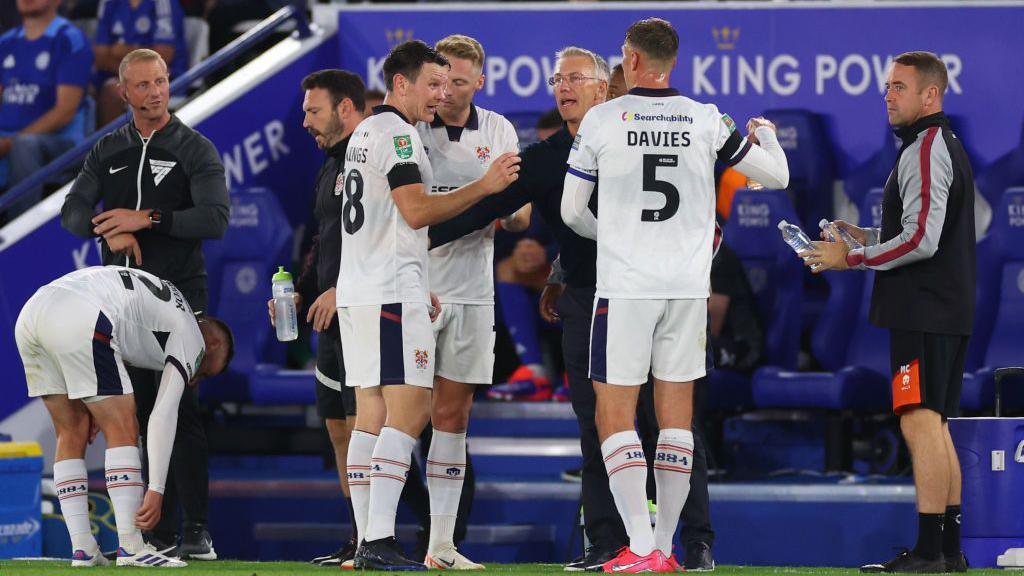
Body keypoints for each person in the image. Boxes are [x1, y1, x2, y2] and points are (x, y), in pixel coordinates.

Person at [560, 18, 788, 572]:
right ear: (673, 63)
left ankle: (639, 545)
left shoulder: (603, 119)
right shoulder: (706, 118)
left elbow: (571, 212)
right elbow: (776, 176)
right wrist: (772, 136)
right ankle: (664, 547)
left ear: (631, 61)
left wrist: (615, 234)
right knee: (676, 417)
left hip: (626, 287)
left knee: (614, 414)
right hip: (687, 290)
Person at [429, 45, 621, 571]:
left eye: (575, 77)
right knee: (595, 424)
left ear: (603, 87)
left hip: (648, 297)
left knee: (665, 422)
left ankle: (687, 543)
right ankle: (605, 542)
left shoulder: (634, 141)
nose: (563, 86)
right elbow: (489, 211)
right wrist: (405, 245)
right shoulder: (541, 156)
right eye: (557, 77)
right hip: (586, 300)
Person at [337, 39, 519, 571]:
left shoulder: (365, 132)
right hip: (393, 291)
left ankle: (372, 540)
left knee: (370, 415)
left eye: (447, 84)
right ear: (401, 83)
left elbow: (379, 219)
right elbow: (416, 211)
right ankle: (378, 541)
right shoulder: (398, 135)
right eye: (431, 84)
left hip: (365, 288)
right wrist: (484, 186)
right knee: (412, 412)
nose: (440, 94)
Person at [801, 51, 973, 574]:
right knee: (936, 426)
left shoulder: (925, 147)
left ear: (931, 95)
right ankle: (946, 552)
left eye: (899, 86)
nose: (888, 95)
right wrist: (868, 238)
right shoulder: (939, 145)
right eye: (887, 86)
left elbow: (921, 240)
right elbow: (922, 236)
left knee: (920, 424)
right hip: (940, 307)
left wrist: (849, 257)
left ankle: (927, 553)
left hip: (923, 310)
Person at [61, 48, 229, 560]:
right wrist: (110, 225)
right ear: (123, 92)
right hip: (121, 303)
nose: (156, 92)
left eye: (161, 82)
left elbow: (215, 219)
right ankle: (144, 538)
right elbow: (71, 213)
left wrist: (147, 220)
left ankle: (195, 529)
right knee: (128, 413)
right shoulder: (105, 149)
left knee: (182, 410)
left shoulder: (194, 147)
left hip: (180, 294)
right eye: (144, 85)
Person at [15, 266, 233, 568]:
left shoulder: (163, 310)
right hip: (84, 315)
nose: (196, 377)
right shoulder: (192, 337)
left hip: (33, 313)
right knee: (125, 425)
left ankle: (83, 548)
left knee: (71, 430)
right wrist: (156, 490)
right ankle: (131, 545)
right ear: (213, 345)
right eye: (205, 370)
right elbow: (163, 413)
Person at [410, 33, 525, 570]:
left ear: (480, 80)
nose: (450, 90)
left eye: (460, 80)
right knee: (399, 416)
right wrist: (482, 194)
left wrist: (504, 208)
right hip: (416, 287)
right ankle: (372, 537)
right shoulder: (411, 126)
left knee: (453, 417)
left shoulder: (498, 129)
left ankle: (441, 546)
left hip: (474, 291)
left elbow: (520, 213)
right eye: (443, 79)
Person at [266, 69, 365, 568]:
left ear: (346, 108)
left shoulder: (370, 157)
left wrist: (340, 290)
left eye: (313, 111)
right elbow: (324, 243)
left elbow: (384, 242)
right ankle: (356, 536)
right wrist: (302, 292)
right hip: (329, 321)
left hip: (364, 315)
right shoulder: (329, 167)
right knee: (340, 434)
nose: (305, 121)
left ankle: (377, 537)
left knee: (362, 427)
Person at [0, 0, 91, 216]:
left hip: (58, 143)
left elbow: (64, 112)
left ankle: (18, 232)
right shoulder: (5, 42)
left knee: (24, 146)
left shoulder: (69, 38)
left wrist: (10, 141)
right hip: (8, 139)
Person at [92, 0, 187, 125]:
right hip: (114, 75)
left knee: (113, 92)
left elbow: (162, 56)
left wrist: (122, 50)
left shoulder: (163, 3)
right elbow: (100, 56)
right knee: (79, 88)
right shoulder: (108, 2)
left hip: (163, 81)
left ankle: (115, 144)